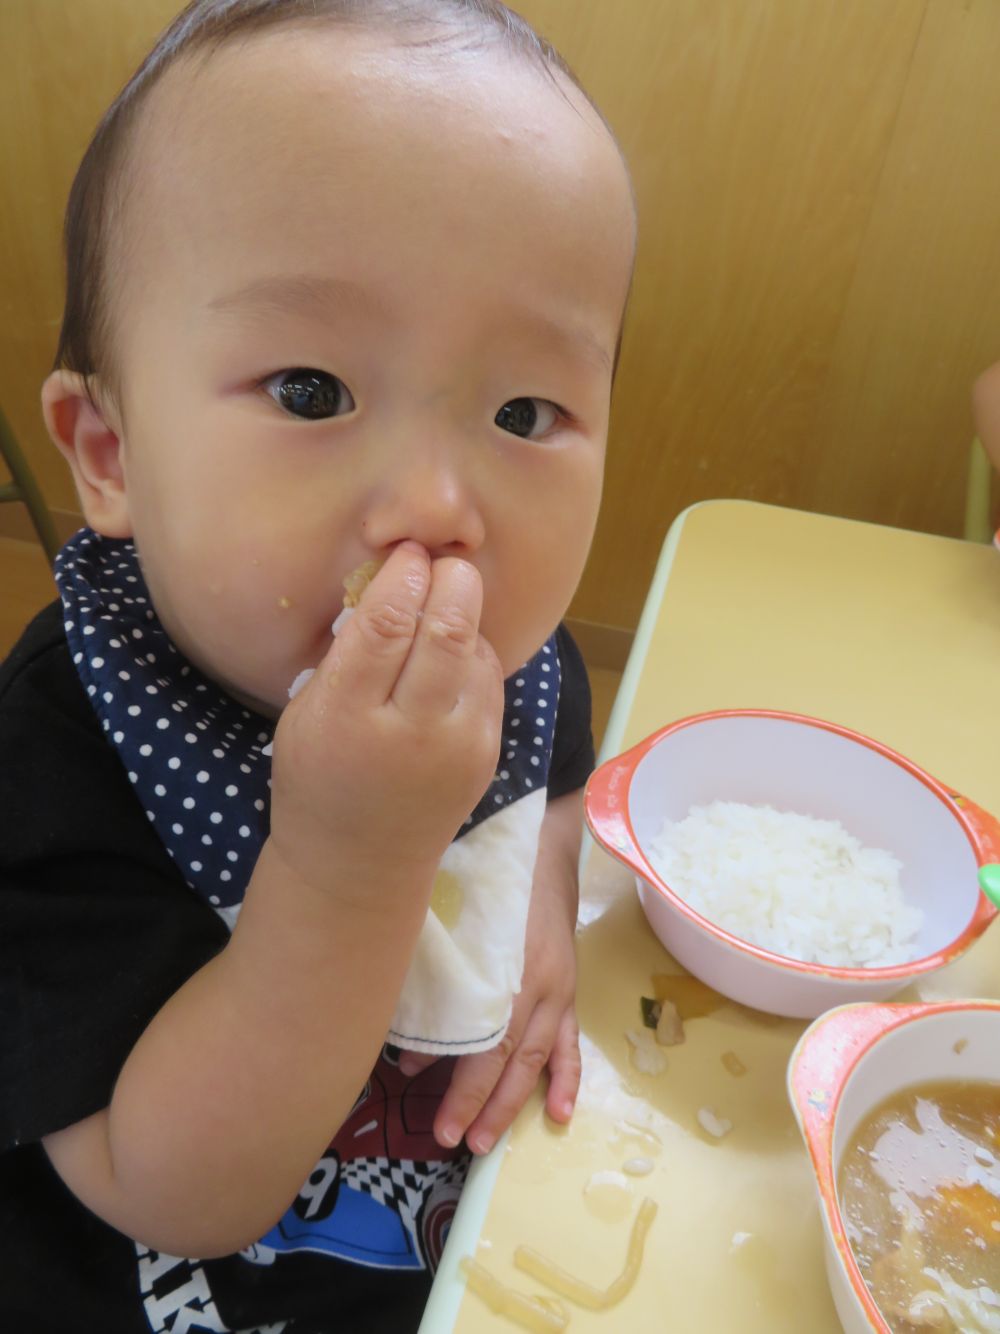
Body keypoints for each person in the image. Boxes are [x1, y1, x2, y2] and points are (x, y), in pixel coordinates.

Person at [0, 0, 636, 1328]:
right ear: (110, 454)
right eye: (310, 390)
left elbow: (555, 778)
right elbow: (160, 1184)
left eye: (527, 411)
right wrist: (350, 866)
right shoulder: (71, 734)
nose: (437, 503)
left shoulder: (507, 665)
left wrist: (547, 894)